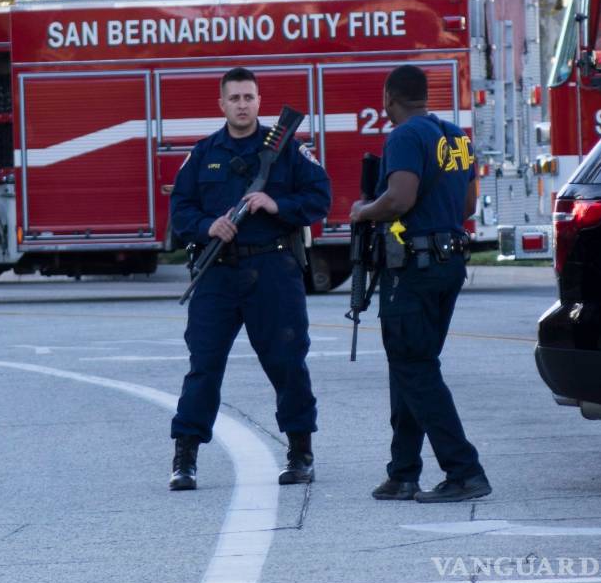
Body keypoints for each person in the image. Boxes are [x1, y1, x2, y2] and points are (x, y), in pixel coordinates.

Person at [168, 67, 331, 491]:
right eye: (234, 98)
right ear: (220, 104)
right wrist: (209, 226)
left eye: (249, 97)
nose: (242, 104)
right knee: (203, 366)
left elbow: (320, 197)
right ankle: (185, 457)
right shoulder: (204, 153)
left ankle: (300, 452)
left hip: (273, 271)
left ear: (260, 102)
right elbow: (180, 210)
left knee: (286, 363)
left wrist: (275, 204)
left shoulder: (286, 150)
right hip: (217, 272)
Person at [349, 64, 491, 503]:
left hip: (415, 268)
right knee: (411, 366)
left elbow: (400, 199)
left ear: (390, 97)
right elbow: (467, 203)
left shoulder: (405, 136)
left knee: (415, 367)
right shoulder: (455, 136)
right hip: (448, 263)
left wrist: (363, 210)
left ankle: (464, 471)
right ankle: (403, 471)